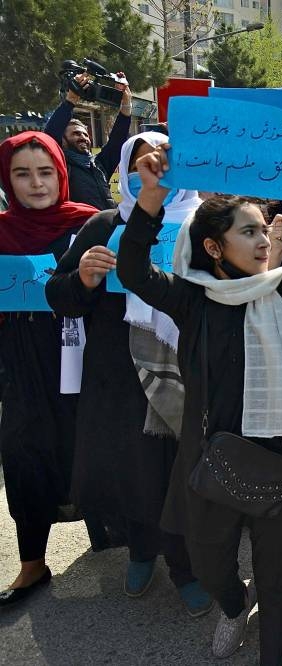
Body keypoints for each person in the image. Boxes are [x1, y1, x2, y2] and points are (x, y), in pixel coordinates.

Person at [116, 142, 282, 664]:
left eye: (264, 229)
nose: (263, 242)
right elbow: (132, 273)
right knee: (210, 563)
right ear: (214, 248)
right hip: (208, 457)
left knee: (278, 580)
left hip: (276, 458)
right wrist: (150, 199)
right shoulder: (192, 299)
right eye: (248, 231)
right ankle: (235, 606)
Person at [44, 132, 211, 615]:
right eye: (139, 164)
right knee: (133, 469)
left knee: (181, 469)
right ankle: (141, 550)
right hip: (119, 374)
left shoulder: (203, 225)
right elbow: (60, 296)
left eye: (161, 162)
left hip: (185, 368)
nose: (151, 171)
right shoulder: (101, 225)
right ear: (124, 169)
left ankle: (186, 566)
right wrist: (85, 278)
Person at [0, 132, 99, 607]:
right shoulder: (0, 231)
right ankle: (32, 564)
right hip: (19, 361)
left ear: (61, 174)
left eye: (45, 172)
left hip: (77, 352)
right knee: (22, 452)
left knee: (88, 442)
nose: (35, 183)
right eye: (22, 173)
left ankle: (113, 535)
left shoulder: (88, 225)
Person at [43, 73, 133, 210]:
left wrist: (126, 104)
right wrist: (71, 100)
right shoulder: (61, 166)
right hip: (78, 230)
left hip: (108, 227)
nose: (83, 137)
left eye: (86, 134)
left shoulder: (99, 164)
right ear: (62, 140)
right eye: (76, 133)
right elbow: (50, 136)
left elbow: (117, 141)